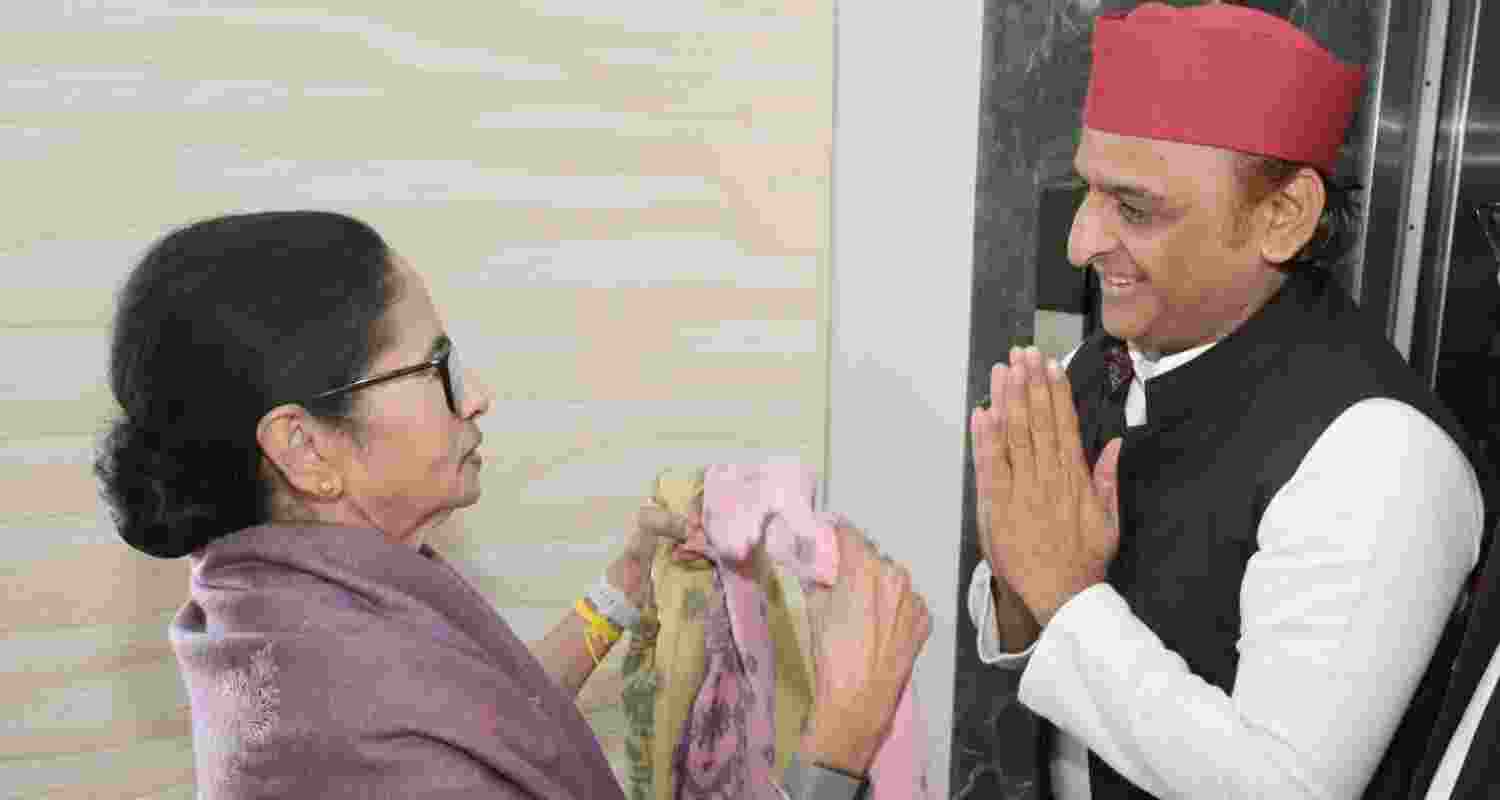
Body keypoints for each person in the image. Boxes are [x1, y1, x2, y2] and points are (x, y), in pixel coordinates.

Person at [94, 209, 930, 800]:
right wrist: (841, 739)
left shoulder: (289, 611)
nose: (478, 395)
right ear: (306, 448)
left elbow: (489, 726)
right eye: (436, 367)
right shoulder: (347, 727)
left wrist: (622, 591)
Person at [965, 4, 1490, 799]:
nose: (1078, 242)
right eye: (1087, 191)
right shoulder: (1098, 364)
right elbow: (1021, 626)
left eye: (1134, 208)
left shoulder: (1378, 457)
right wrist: (1018, 582)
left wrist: (1066, 593)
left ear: (1281, 218)